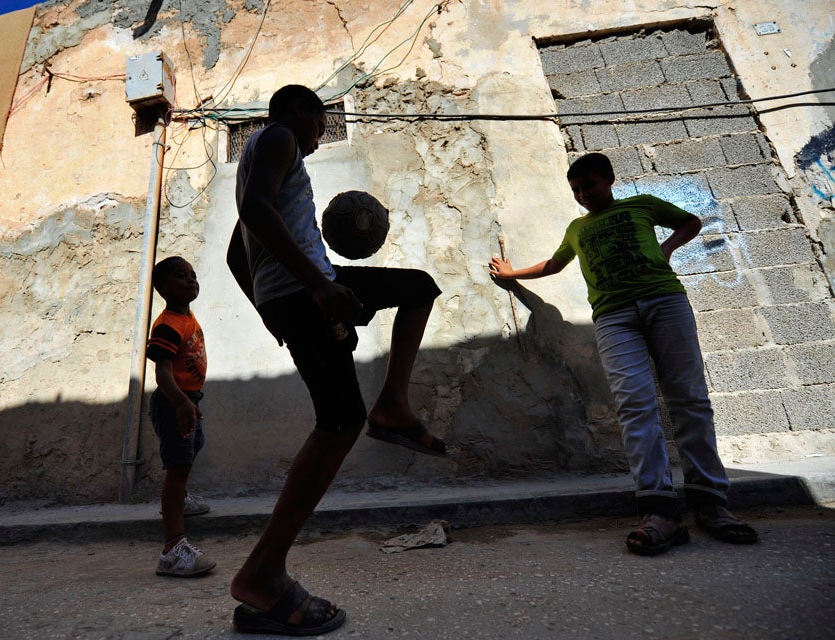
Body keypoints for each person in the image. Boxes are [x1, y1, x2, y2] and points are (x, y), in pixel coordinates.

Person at [226, 84, 446, 635]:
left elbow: (237, 251)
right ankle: (262, 574)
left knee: (342, 414)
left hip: (298, 296)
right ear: (302, 113)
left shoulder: (256, 162)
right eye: (320, 122)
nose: (321, 135)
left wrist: (268, 311)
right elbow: (255, 213)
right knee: (342, 418)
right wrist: (314, 290)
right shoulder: (276, 138)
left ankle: (392, 406)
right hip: (309, 289)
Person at [488, 152, 758, 556]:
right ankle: (659, 511)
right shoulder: (577, 228)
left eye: (589, 186)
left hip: (665, 303)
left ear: (609, 180)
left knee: (689, 399)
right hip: (614, 317)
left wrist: (665, 250)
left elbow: (691, 221)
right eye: (576, 190)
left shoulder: (642, 205)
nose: (582, 195)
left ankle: (710, 504)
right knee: (634, 404)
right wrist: (512, 275)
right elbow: (554, 265)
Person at [145, 256, 216, 577]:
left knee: (192, 448)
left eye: (193, 275)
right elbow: (161, 373)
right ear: (161, 287)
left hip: (187, 399)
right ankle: (173, 549)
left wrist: (190, 401)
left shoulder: (186, 316)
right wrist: (180, 403)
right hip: (173, 401)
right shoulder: (168, 324)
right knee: (178, 466)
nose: (190, 280)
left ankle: (180, 498)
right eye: (180, 276)